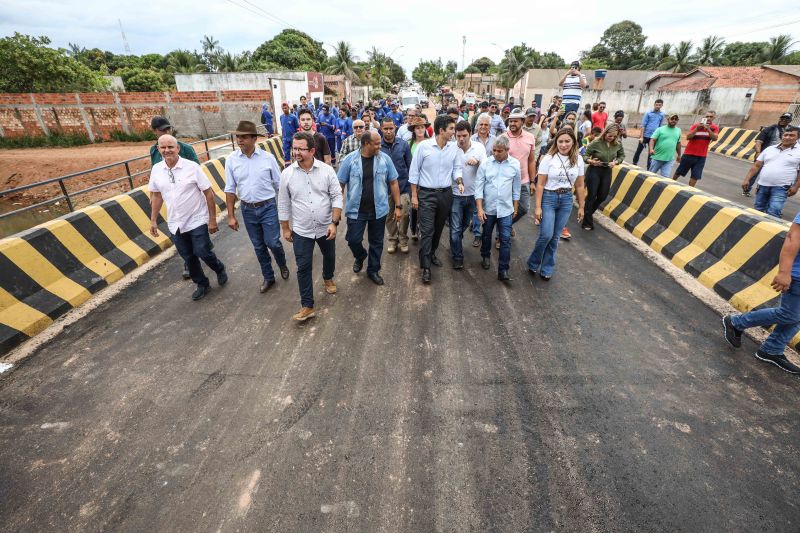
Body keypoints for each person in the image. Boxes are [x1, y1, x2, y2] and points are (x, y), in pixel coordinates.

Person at [148, 135, 227, 301]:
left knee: (202, 251)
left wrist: (212, 220)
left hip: (196, 218)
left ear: (177, 149)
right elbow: (156, 196)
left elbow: (208, 193)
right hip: (175, 222)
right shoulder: (156, 170)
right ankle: (202, 284)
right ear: (158, 149)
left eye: (170, 147)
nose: (167, 150)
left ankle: (219, 268)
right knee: (188, 257)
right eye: (163, 147)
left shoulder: (192, 167)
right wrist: (153, 220)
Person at [722, 209, 800, 374]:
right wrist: (784, 272)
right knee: (788, 314)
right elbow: (793, 237)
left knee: (797, 315)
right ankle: (736, 322)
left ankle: (772, 349)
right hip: (798, 274)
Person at [278, 131, 343, 321]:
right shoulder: (287, 174)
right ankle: (307, 305)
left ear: (312, 150)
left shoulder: (326, 170)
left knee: (329, 255)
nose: (296, 152)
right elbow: (283, 203)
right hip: (302, 230)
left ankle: (328, 277)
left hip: (325, 226)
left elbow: (337, 196)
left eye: (300, 149)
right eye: (294, 148)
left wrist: (334, 222)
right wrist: (285, 227)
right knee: (303, 266)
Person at [223, 120, 289, 293]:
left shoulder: (268, 158)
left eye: (244, 137)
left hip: (268, 207)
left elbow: (279, 185)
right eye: (238, 137)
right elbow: (230, 189)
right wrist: (231, 216)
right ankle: (268, 277)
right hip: (247, 209)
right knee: (259, 246)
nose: (240, 140)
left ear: (254, 139)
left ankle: (282, 263)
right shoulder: (231, 160)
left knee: (273, 242)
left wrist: (286, 210)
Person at [338, 130, 402, 286]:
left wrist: (398, 206)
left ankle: (373, 270)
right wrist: (337, 208)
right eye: (377, 143)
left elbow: (393, 182)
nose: (380, 146)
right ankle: (360, 256)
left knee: (377, 242)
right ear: (366, 144)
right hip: (356, 210)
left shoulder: (384, 159)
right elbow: (340, 184)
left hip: (378, 210)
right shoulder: (349, 160)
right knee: (353, 240)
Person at [409, 115, 463, 284]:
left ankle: (432, 253)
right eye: (452, 129)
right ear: (441, 130)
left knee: (439, 228)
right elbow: (414, 172)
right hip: (426, 194)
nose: (454, 132)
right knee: (427, 230)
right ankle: (425, 267)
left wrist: (459, 181)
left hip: (446, 194)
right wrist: (414, 196)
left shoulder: (453, 149)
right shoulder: (424, 147)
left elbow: (457, 169)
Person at [527, 128, 586, 280]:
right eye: (560, 141)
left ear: (573, 142)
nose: (564, 145)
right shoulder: (548, 158)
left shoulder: (578, 159)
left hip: (566, 199)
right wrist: (538, 207)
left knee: (555, 237)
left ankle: (547, 268)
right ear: (556, 142)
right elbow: (540, 184)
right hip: (549, 197)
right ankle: (533, 261)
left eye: (567, 141)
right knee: (546, 234)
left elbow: (579, 185)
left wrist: (581, 206)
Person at [149, 116, 200, 280]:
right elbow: (155, 173)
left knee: (194, 233)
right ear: (155, 132)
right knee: (180, 232)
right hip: (171, 199)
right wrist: (153, 195)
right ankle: (189, 261)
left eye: (168, 129)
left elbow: (198, 173)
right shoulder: (154, 151)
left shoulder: (186, 149)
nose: (166, 132)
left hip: (190, 198)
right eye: (162, 130)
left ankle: (197, 255)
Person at [475, 136, 520, 281]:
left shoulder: (515, 164)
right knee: (486, 235)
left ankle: (503, 270)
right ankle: (485, 256)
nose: (495, 153)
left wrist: (516, 207)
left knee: (505, 239)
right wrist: (480, 209)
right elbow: (479, 188)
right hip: (489, 209)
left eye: (499, 151)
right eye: (494, 150)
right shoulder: (486, 164)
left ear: (507, 150)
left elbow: (516, 187)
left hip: (506, 210)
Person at [740, 127, 800, 219]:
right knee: (758, 210)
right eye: (785, 135)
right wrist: (746, 179)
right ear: (782, 136)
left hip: (782, 187)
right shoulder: (770, 149)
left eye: (791, 135)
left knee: (774, 211)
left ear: (798, 137)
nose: (787, 137)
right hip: (762, 185)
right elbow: (757, 165)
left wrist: (796, 187)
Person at [450, 121, 487, 269]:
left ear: (470, 134)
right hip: (456, 194)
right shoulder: (452, 149)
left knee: (465, 224)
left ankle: (456, 240)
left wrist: (478, 161)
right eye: (458, 136)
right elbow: (455, 169)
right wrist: (459, 182)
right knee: (455, 228)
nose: (461, 139)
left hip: (473, 194)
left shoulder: (479, 148)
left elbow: (485, 168)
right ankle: (457, 257)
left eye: (464, 135)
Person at [581, 124, 625, 231]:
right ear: (605, 133)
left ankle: (587, 213)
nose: (611, 138)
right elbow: (584, 155)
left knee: (603, 196)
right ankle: (587, 222)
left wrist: (616, 162)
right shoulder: (596, 142)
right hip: (594, 170)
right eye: (609, 136)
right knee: (592, 195)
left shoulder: (617, 144)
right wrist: (591, 161)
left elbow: (621, 156)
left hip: (607, 171)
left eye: (614, 137)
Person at [380, 118, 413, 254]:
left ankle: (403, 239)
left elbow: (410, 165)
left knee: (404, 214)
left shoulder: (403, 145)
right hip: (384, 188)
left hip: (403, 186)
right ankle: (393, 240)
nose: (388, 131)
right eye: (385, 129)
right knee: (389, 216)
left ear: (395, 128)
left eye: (391, 128)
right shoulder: (378, 146)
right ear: (381, 129)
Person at [501, 110, 536, 238]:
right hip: (507, 182)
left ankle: (506, 225)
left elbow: (531, 160)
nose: (512, 123)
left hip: (524, 181)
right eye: (510, 121)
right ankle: (501, 235)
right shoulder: (503, 137)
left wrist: (532, 181)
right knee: (506, 210)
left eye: (515, 121)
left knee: (524, 208)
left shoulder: (530, 137)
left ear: (522, 121)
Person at [744, 112, 795, 196]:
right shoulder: (770, 129)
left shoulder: (790, 131)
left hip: (781, 158)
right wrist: (758, 153)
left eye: (786, 119)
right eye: (782, 118)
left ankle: (763, 190)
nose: (783, 120)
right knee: (754, 173)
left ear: (790, 121)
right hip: (766, 156)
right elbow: (758, 142)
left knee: (771, 175)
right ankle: (746, 189)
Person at [672, 110, 719, 187]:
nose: (709, 118)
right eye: (707, 116)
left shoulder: (714, 128)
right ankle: (671, 183)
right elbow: (688, 137)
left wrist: (708, 129)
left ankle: (690, 190)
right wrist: (697, 129)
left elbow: (714, 138)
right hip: (689, 154)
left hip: (701, 156)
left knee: (695, 176)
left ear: (714, 117)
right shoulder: (695, 126)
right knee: (679, 172)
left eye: (711, 117)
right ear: (704, 117)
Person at [407, 116, 430, 242]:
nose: (420, 130)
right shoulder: (408, 144)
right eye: (417, 128)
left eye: (422, 127)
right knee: (414, 206)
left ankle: (422, 229)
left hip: (427, 180)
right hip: (413, 181)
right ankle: (413, 228)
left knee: (425, 207)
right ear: (413, 130)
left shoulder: (431, 142)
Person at [632, 99, 665, 168]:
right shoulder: (648, 113)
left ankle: (648, 168)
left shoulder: (662, 115)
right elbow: (643, 125)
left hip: (653, 137)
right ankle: (634, 163)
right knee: (639, 151)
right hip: (645, 136)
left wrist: (658, 137)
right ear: (654, 104)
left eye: (659, 105)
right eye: (656, 105)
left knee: (651, 153)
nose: (658, 106)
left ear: (662, 106)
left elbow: (660, 127)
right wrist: (641, 137)